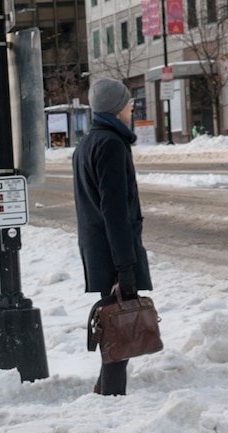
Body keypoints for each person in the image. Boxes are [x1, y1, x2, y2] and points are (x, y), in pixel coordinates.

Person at [73, 78, 152, 396]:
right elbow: (115, 210)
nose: (132, 108)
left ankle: (104, 392)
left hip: (98, 248)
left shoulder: (87, 143)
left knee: (116, 325)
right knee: (121, 327)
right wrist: (125, 266)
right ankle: (111, 396)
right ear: (116, 108)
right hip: (113, 251)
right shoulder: (111, 145)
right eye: (128, 103)